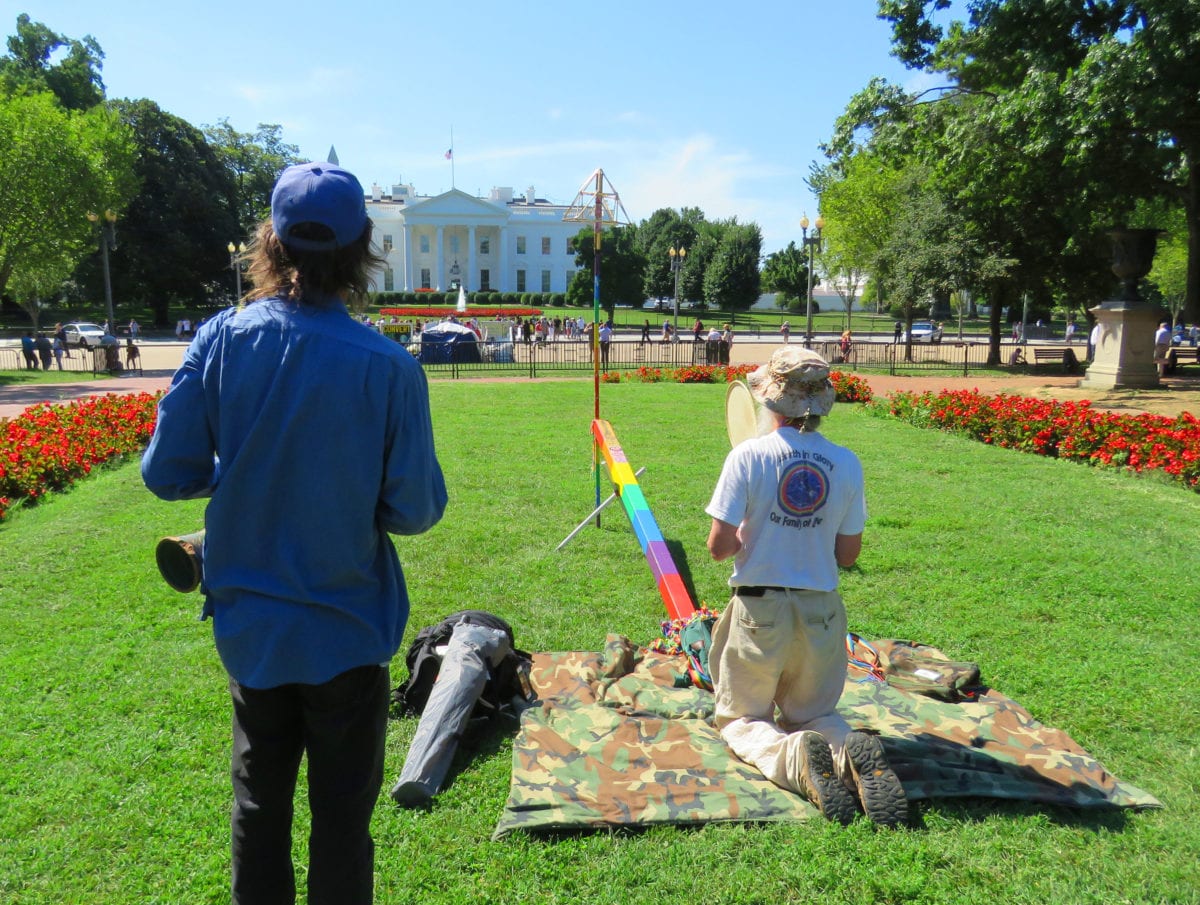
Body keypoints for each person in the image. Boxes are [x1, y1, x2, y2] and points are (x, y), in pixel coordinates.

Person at [142, 162, 447, 905]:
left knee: (258, 808)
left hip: (254, 634)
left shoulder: (220, 341)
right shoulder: (388, 366)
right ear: (361, 248)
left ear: (270, 242)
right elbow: (416, 509)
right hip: (346, 633)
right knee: (342, 824)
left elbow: (166, 471)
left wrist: (247, 464)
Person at [705, 347, 907, 827]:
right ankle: (847, 754)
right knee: (816, 714)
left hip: (761, 610)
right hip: (821, 611)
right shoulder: (847, 463)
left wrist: (755, 528)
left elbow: (718, 548)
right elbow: (848, 555)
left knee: (743, 719)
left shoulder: (747, 457)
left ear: (770, 399)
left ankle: (795, 759)